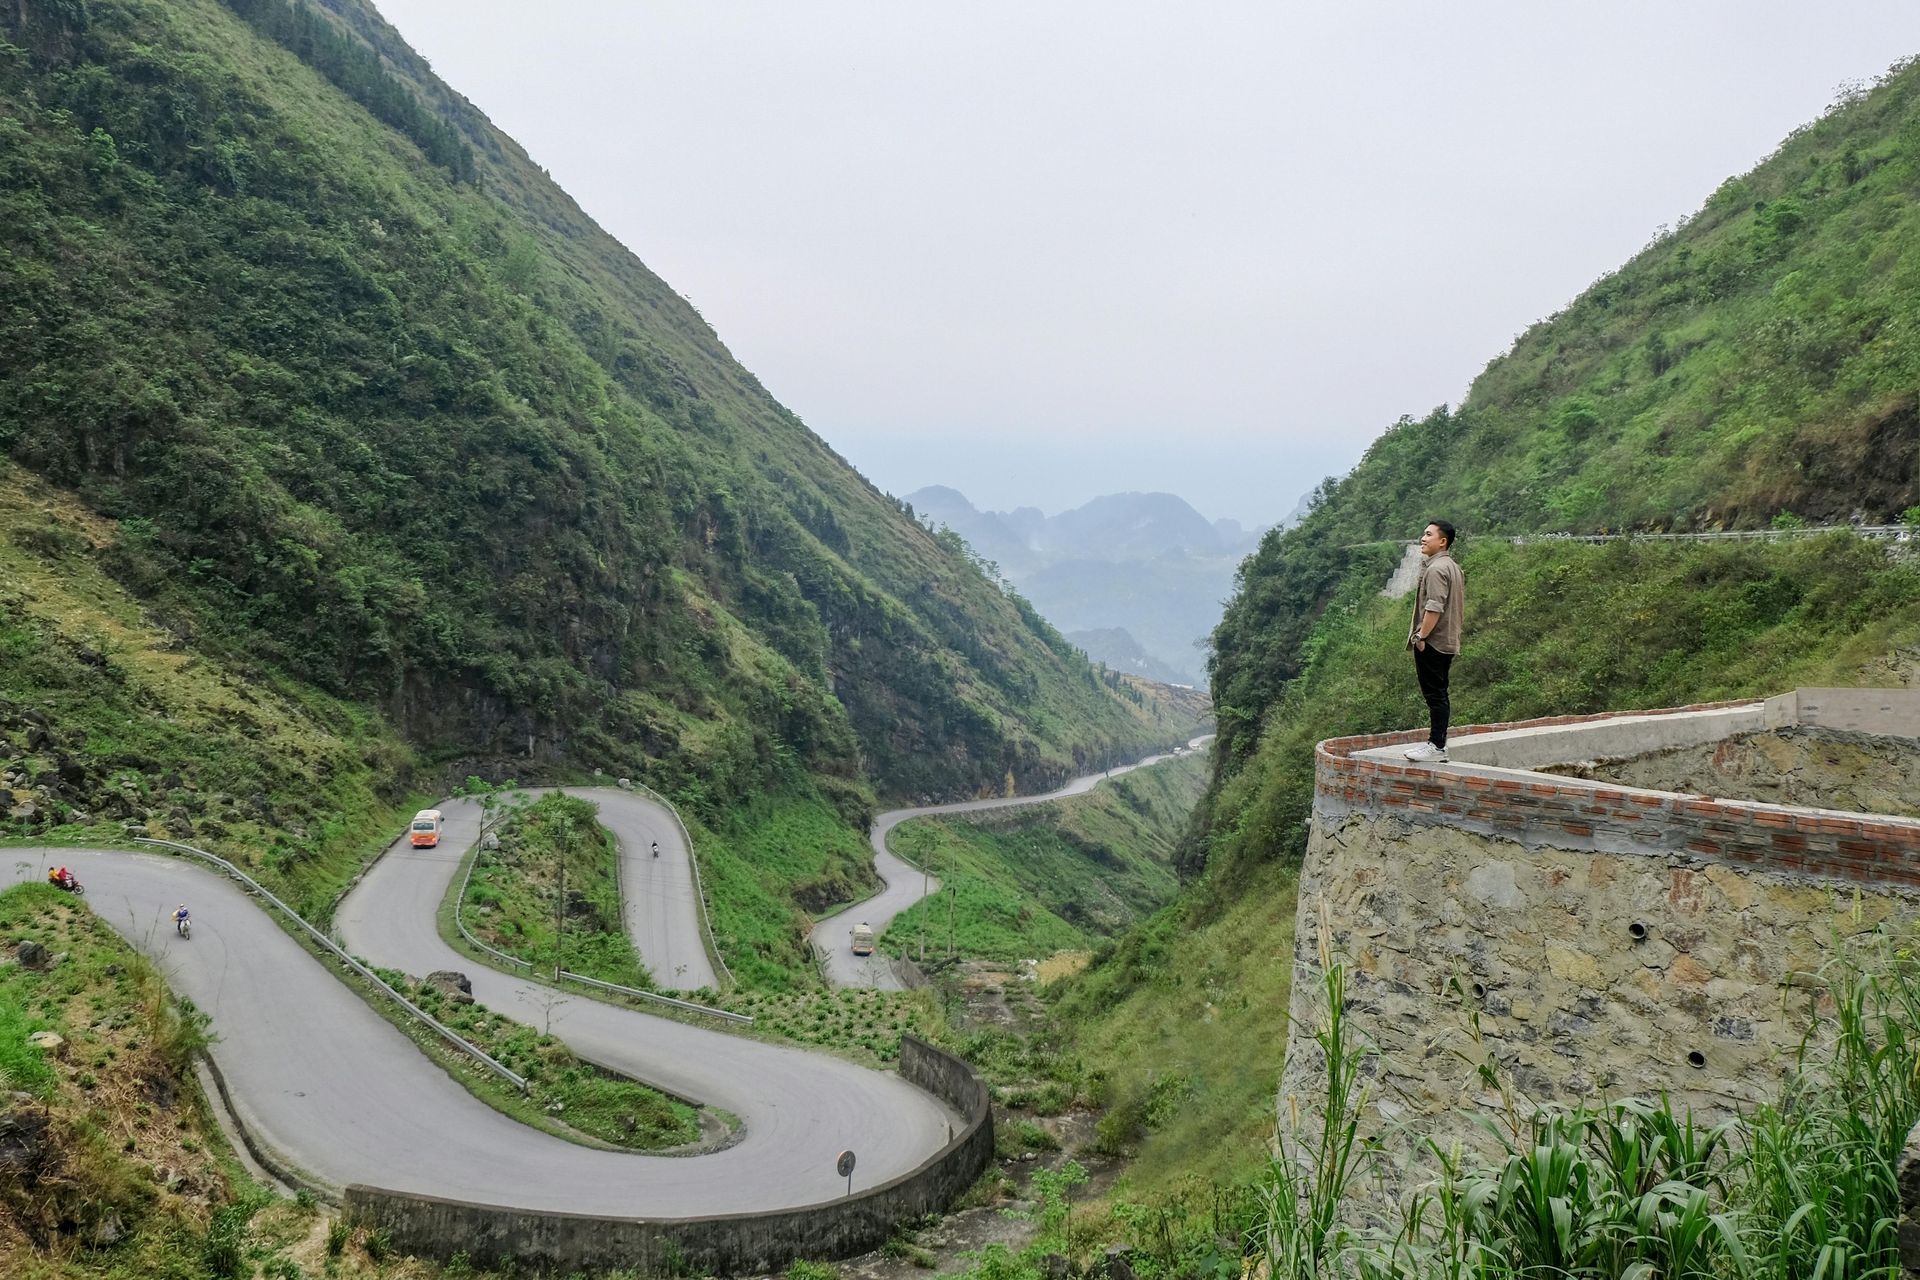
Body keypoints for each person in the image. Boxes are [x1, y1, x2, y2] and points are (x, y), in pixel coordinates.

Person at [1405, 519, 1464, 763]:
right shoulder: (1452, 567)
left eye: (1429, 534)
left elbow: (1434, 607)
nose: (1423, 538)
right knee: (1440, 693)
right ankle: (1438, 744)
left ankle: (1436, 746)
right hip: (1447, 640)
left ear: (1443, 541)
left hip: (1434, 642)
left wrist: (1421, 636)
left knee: (1435, 696)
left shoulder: (1436, 569)